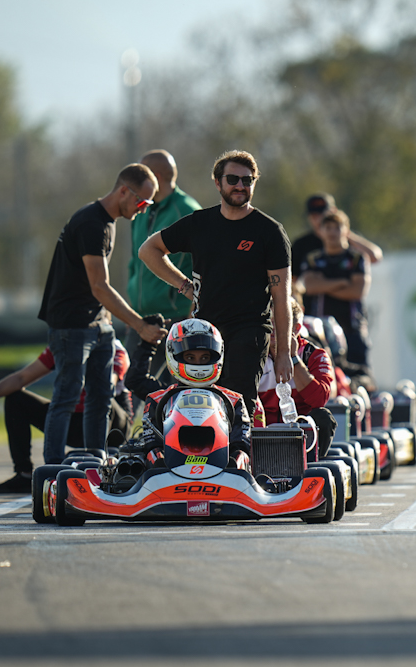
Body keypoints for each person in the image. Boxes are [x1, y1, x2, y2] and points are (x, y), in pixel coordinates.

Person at [138, 150, 294, 418]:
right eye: (232, 179)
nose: (240, 186)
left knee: (236, 407)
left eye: (248, 180)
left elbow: (282, 297)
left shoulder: (269, 231)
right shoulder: (200, 223)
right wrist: (185, 286)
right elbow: (148, 250)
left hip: (250, 330)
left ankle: (237, 459)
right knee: (196, 407)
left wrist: (284, 354)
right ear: (217, 182)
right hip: (204, 331)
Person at [37, 163, 168, 465]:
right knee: (67, 398)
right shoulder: (92, 224)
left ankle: (97, 463)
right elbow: (99, 286)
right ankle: (53, 471)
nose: (143, 208)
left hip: (96, 322)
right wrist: (139, 326)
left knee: (101, 398)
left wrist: (106, 320)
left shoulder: (107, 222)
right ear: (124, 190)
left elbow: (93, 287)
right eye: (142, 201)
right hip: (72, 324)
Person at [0, 341, 131, 493]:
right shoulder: (66, 341)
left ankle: (104, 469)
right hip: (72, 420)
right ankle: (24, 474)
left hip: (110, 424)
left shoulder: (112, 347)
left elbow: (109, 383)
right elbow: (22, 378)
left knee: (102, 396)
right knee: (15, 399)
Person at [133, 318, 253, 471]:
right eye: (190, 357)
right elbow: (151, 445)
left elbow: (241, 445)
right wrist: (159, 464)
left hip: (225, 471)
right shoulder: (157, 399)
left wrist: (235, 465)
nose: (198, 364)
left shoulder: (233, 400)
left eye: (205, 358)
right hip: (167, 471)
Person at [127, 150, 202, 324]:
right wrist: (131, 310)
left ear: (156, 177)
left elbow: (205, 265)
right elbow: (134, 263)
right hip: (140, 318)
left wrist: (194, 312)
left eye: (140, 176)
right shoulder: (140, 210)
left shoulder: (187, 211)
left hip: (177, 318)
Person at [257, 299, 337, 457]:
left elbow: (319, 399)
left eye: (278, 322)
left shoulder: (314, 355)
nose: (272, 329)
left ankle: (311, 466)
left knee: (324, 417)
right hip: (262, 435)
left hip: (301, 436)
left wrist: (292, 358)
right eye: (268, 322)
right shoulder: (253, 356)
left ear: (295, 328)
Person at [298, 208, 371, 373]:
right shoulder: (313, 259)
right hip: (322, 332)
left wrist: (324, 285)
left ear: (346, 230)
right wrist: (343, 282)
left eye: (337, 227)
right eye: (328, 227)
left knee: (361, 379)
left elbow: (357, 292)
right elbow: (310, 287)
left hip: (353, 329)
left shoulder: (357, 258)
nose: (332, 232)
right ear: (321, 231)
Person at [292, 193, 382, 314]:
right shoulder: (302, 245)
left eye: (322, 214)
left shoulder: (348, 240)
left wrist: (345, 233)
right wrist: (342, 283)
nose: (318, 220)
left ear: (333, 212)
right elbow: (298, 283)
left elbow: (374, 257)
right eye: (314, 216)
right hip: (316, 313)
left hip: (350, 316)